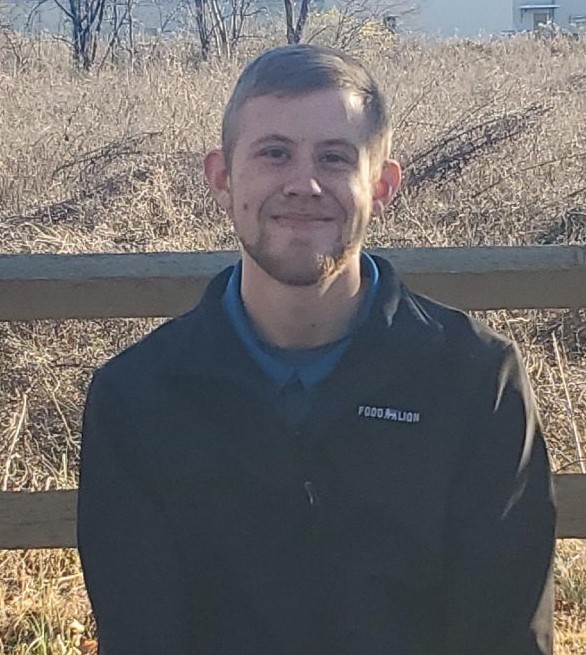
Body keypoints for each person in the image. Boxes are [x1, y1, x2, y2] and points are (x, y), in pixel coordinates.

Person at [77, 44, 556, 655]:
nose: (303, 185)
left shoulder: (476, 379)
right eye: (274, 153)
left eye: (334, 157)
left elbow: (505, 636)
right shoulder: (138, 398)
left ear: (381, 185)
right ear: (222, 178)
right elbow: (141, 635)